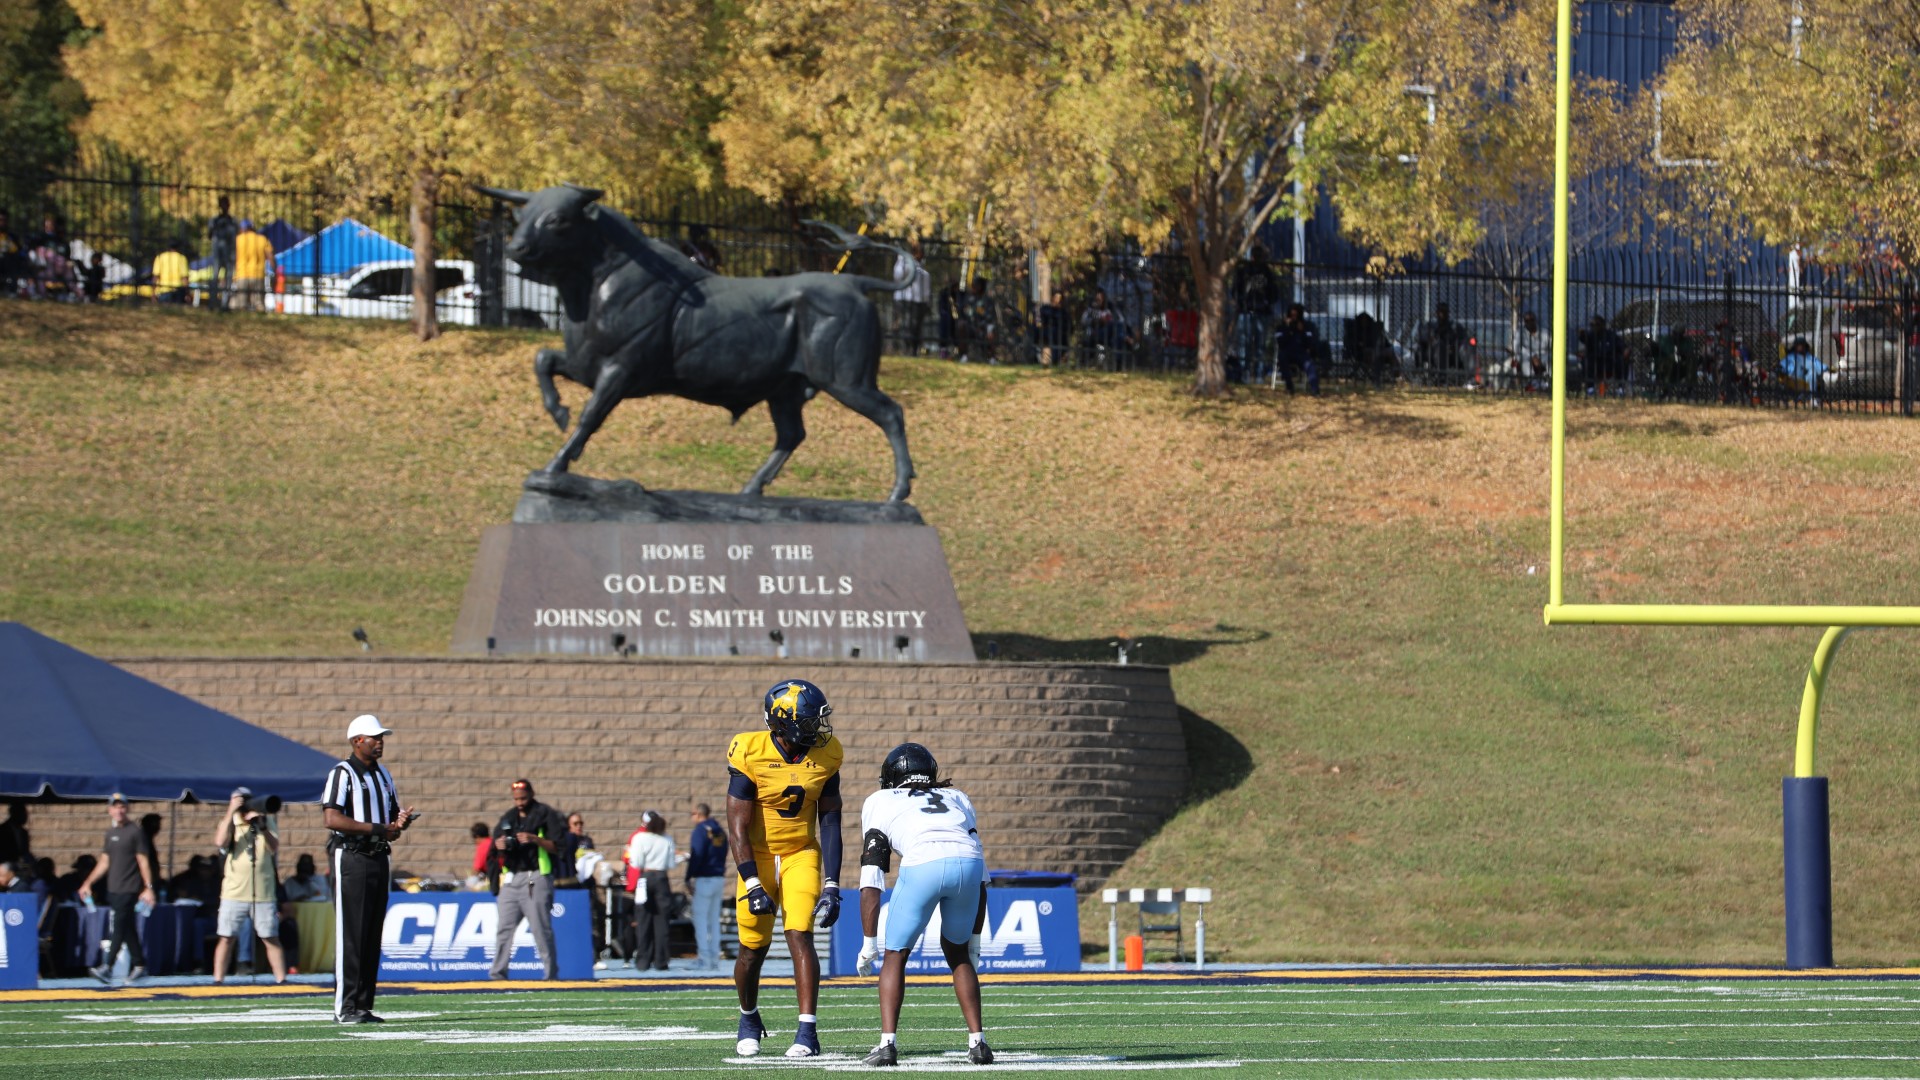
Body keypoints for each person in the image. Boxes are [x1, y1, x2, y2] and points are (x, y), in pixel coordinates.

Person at [727, 679, 845, 1058]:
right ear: (784, 723)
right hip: (757, 856)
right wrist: (752, 881)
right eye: (811, 720)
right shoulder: (750, 751)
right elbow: (737, 827)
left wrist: (832, 884)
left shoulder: (827, 755)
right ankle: (748, 1017)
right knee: (752, 948)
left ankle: (807, 1031)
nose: (819, 729)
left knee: (800, 934)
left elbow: (829, 821)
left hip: (800, 853)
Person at [855, 743, 992, 1067]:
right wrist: (975, 938)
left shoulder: (880, 800)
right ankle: (978, 1043)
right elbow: (983, 874)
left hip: (924, 863)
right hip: (969, 866)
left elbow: (872, 875)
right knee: (958, 953)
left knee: (895, 954)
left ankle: (887, 1044)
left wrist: (868, 942)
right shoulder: (956, 796)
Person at [322, 713, 418, 1024]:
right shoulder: (343, 773)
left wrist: (398, 824)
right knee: (352, 932)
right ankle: (345, 1007)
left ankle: (363, 1005)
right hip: (351, 856)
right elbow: (332, 819)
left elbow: (391, 823)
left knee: (372, 933)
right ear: (356, 741)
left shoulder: (384, 775)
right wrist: (379, 828)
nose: (380, 742)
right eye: (374, 737)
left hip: (379, 856)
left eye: (382, 737)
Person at [211, 788, 288, 985]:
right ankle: (218, 979)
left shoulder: (264, 820)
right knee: (226, 937)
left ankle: (281, 979)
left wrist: (261, 826)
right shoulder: (231, 822)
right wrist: (231, 811)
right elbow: (220, 841)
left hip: (263, 892)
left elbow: (274, 847)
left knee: (270, 937)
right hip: (234, 892)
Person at [490, 778, 564, 981]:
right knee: (504, 928)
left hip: (536, 876)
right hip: (512, 878)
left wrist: (535, 840)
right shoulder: (509, 817)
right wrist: (500, 845)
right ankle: (498, 973)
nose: (520, 803)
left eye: (523, 798)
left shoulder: (545, 814)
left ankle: (550, 974)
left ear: (531, 795)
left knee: (540, 927)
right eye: (516, 799)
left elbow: (559, 846)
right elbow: (493, 848)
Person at [78, 793, 156, 985]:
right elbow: (105, 861)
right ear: (110, 810)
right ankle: (139, 965)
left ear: (126, 808)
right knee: (127, 927)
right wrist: (88, 882)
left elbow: (143, 861)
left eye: (122, 806)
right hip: (114, 887)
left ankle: (107, 966)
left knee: (119, 927)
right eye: (115, 806)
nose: (119, 810)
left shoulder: (135, 832)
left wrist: (148, 887)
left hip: (129, 888)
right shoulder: (110, 833)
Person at [625, 809, 674, 971]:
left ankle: (643, 961)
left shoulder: (639, 838)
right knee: (662, 922)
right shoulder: (666, 838)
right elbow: (670, 863)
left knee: (643, 921)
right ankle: (661, 961)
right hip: (661, 877)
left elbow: (636, 862)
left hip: (645, 878)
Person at [686, 802, 728, 970]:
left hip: (704, 879)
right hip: (718, 877)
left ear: (698, 814)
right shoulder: (719, 831)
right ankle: (714, 958)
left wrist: (688, 877)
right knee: (713, 920)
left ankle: (704, 958)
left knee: (701, 920)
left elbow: (697, 854)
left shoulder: (700, 830)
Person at [1273, 303, 1323, 394]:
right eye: (1292, 315)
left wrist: (1302, 331)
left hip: (1301, 353)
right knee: (1282, 358)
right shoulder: (1282, 327)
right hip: (1287, 352)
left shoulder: (1307, 326)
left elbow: (1310, 342)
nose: (1293, 318)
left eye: (1296, 315)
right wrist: (1288, 328)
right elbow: (1281, 342)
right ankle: (1289, 386)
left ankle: (1315, 390)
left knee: (1309, 365)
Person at [893, 242, 931, 356]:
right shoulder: (904, 262)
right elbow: (898, 276)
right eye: (920, 252)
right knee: (907, 326)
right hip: (906, 300)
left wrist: (926, 302)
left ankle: (913, 350)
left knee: (916, 327)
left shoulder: (922, 269)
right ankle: (907, 349)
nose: (922, 255)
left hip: (919, 301)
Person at [233, 221, 273, 312]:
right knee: (259, 303)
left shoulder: (238, 239)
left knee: (241, 304)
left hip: (242, 274)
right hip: (258, 274)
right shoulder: (262, 239)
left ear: (242, 229)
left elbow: (233, 257)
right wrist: (275, 268)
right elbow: (270, 255)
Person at [208, 196, 240, 309]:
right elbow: (209, 234)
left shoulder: (233, 221)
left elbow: (237, 235)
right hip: (218, 254)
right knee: (215, 276)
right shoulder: (215, 221)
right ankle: (213, 302)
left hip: (229, 254)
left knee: (228, 278)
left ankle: (225, 304)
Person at [1511, 310, 1552, 388]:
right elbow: (1516, 347)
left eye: (1531, 320)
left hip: (1542, 356)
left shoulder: (1544, 333)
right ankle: (1534, 382)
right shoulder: (1520, 333)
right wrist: (1532, 356)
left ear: (1535, 320)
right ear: (1524, 322)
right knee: (1523, 360)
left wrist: (1540, 357)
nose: (1529, 322)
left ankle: (1548, 381)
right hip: (1527, 355)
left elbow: (1552, 346)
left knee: (1550, 359)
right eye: (1527, 321)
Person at [0, 800, 31, 868]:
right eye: (23, 813)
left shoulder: (23, 833)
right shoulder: (2, 830)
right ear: (14, 813)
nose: (25, 817)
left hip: (20, 870)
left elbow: (25, 853)